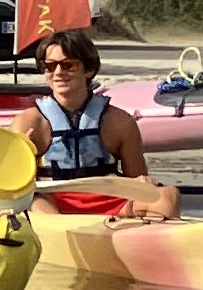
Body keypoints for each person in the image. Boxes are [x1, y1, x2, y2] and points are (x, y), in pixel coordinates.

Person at [21, 26, 179, 222]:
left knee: (168, 196)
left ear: (89, 69)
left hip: (109, 200)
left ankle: (137, 243)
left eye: (68, 65)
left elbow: (137, 180)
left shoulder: (120, 122)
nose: (58, 72)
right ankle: (63, 239)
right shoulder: (29, 122)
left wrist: (145, 182)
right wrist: (17, 156)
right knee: (36, 204)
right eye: (50, 66)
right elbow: (13, 185)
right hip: (54, 202)